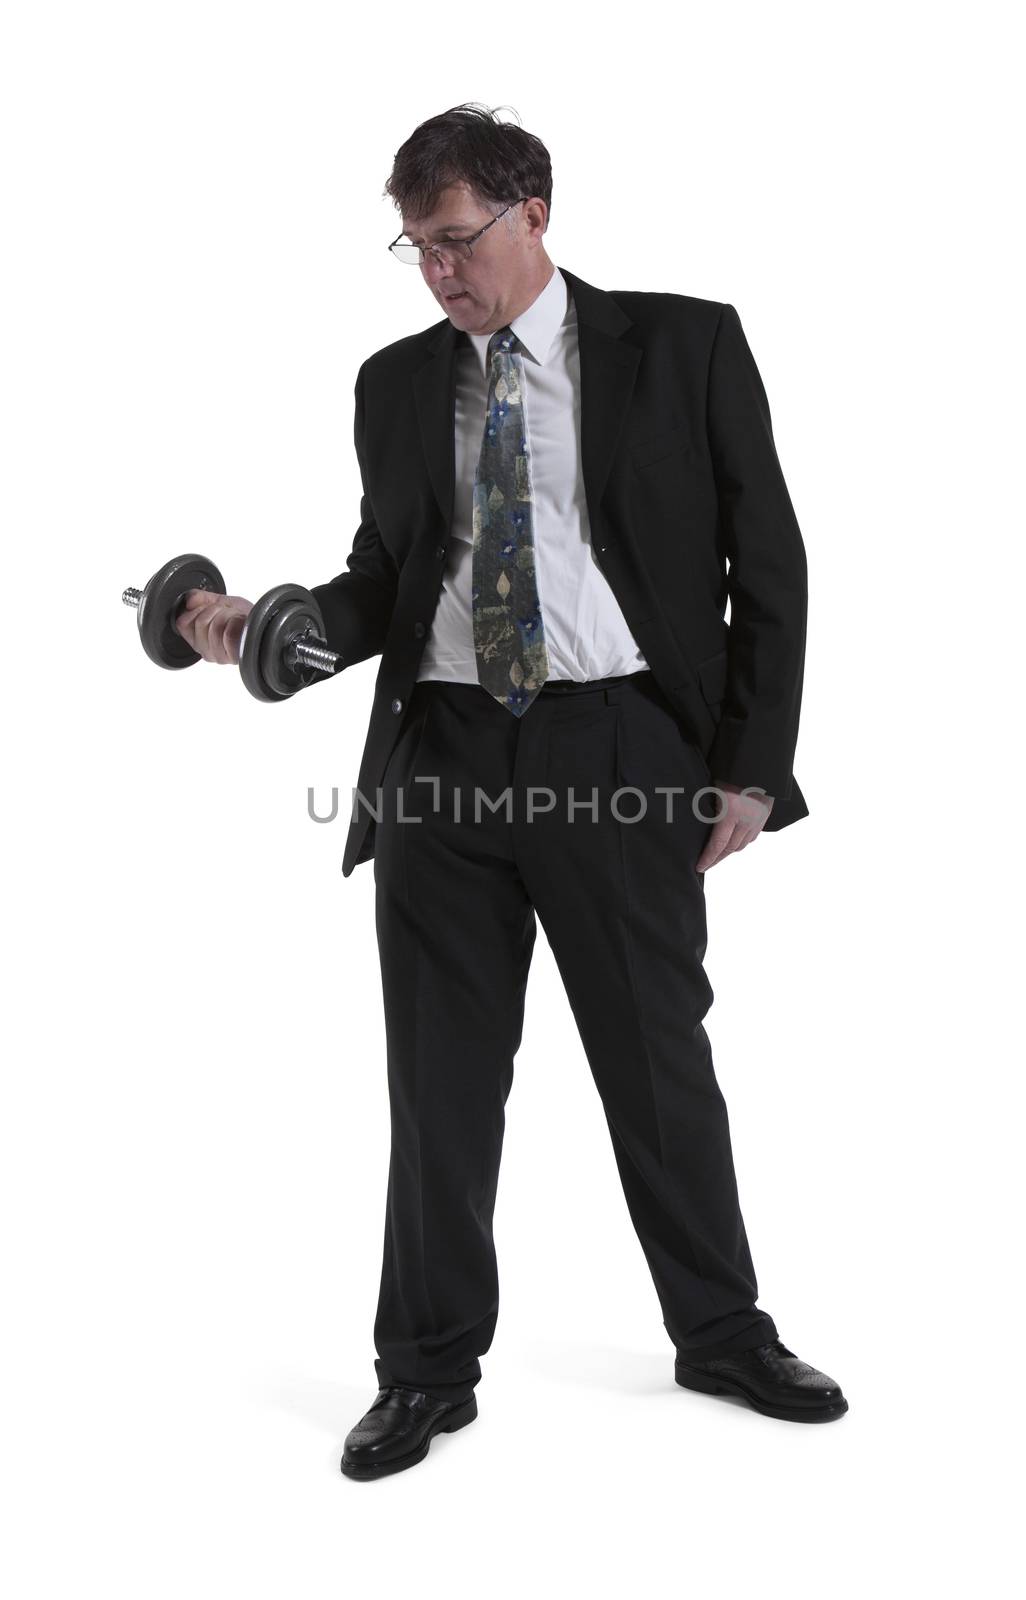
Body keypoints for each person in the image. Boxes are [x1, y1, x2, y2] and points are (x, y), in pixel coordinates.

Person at [176, 102, 847, 1482]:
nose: (439, 270)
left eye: (459, 237)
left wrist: (749, 770)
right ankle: (423, 1374)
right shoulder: (396, 384)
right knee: (439, 1084)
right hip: (446, 765)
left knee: (659, 1064)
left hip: (619, 751)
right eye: (416, 246)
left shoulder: (687, 345)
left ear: (535, 212)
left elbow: (767, 568)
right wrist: (281, 630)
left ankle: (721, 1332)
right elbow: (387, 576)